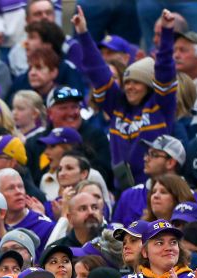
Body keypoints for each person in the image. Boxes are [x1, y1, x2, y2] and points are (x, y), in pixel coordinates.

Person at [72, 7, 178, 191]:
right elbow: (98, 71)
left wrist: (167, 33)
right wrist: (83, 33)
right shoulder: (117, 105)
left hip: (155, 189)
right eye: (127, 82)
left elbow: (165, 70)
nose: (130, 87)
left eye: (137, 82)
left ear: (149, 85)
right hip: (123, 191)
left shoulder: (161, 107)